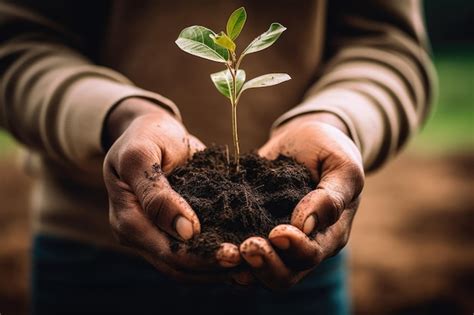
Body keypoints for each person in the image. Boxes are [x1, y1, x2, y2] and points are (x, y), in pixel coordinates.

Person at [0, 0, 436, 314]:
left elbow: (386, 44)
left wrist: (335, 120)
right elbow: (18, 45)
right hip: (88, 260)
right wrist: (119, 115)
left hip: (296, 257)